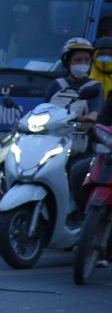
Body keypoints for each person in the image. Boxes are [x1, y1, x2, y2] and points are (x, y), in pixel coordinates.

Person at [44, 38, 102, 219]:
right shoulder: (56, 85)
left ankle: (79, 217)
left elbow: (95, 112)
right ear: (68, 62)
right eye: (78, 60)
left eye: (86, 60)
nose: (82, 64)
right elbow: (43, 110)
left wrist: (87, 121)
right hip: (52, 144)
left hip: (80, 147)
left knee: (77, 171)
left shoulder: (94, 87)